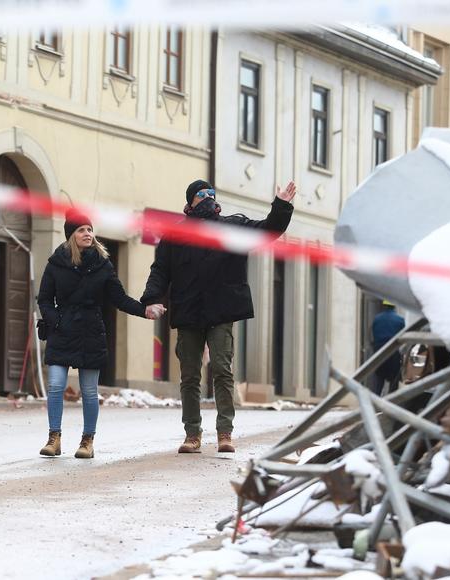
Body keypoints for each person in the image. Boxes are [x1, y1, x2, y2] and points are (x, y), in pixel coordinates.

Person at [141, 179, 296, 453]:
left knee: (222, 370)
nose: (208, 197)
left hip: (220, 311)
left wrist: (281, 206)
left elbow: (267, 230)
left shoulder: (232, 226)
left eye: (211, 193)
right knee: (189, 375)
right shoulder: (174, 235)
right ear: (190, 202)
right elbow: (160, 271)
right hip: (188, 312)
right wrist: (152, 299)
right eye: (202, 194)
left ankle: (225, 432)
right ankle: (192, 434)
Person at [37, 209, 165, 459]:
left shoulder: (102, 265)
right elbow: (43, 299)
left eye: (89, 229)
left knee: (89, 390)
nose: (87, 233)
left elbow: (119, 298)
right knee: (55, 386)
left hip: (90, 332)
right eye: (81, 230)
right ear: (71, 236)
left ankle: (87, 441)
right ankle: (54, 438)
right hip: (62, 332)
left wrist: (145, 310)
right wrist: (56, 320)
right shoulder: (56, 263)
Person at [371, 300, 406, 396]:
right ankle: (391, 403)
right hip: (393, 354)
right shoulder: (400, 320)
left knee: (378, 381)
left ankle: (375, 403)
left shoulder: (377, 319)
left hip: (379, 353)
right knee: (394, 381)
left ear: (384, 306)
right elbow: (403, 337)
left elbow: (374, 336)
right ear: (394, 306)